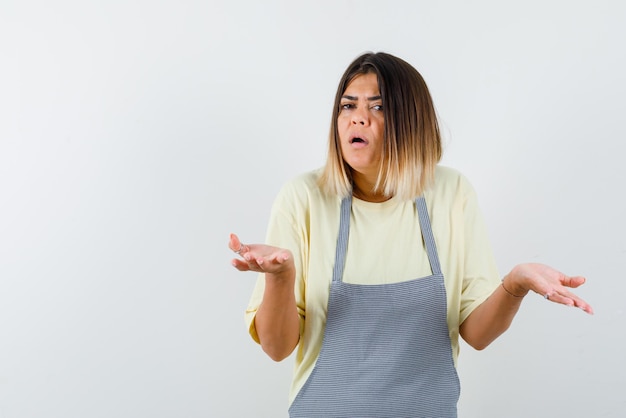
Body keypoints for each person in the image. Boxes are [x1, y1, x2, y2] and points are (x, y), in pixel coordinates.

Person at [228, 51, 593, 418]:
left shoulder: (452, 193)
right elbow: (277, 348)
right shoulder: (303, 198)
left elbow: (478, 335)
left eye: (378, 106)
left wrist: (514, 284)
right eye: (347, 105)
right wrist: (280, 278)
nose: (357, 117)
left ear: (411, 120)